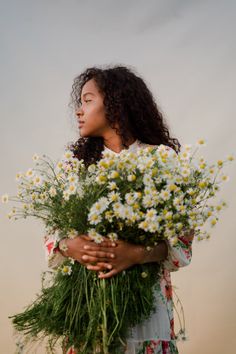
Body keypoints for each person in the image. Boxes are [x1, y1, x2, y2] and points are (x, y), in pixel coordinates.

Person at [44, 65, 194, 354]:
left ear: (115, 105)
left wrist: (136, 254)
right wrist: (67, 245)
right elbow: (52, 235)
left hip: (147, 313)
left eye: (88, 100)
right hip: (86, 308)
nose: (79, 110)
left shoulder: (161, 160)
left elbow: (182, 245)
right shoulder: (74, 165)